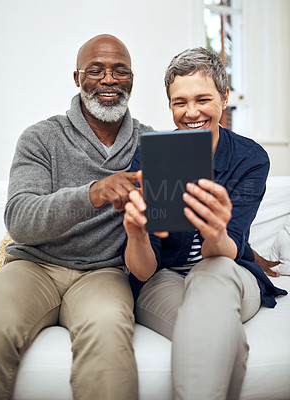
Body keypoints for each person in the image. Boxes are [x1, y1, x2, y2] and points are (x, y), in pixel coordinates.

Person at [0, 34, 153, 400]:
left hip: (104, 273)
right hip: (34, 266)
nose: (109, 80)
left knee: (109, 332)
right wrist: (94, 193)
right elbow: (20, 220)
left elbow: (173, 219)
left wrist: (241, 250)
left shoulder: (149, 143)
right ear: (77, 79)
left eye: (119, 71)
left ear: (132, 81)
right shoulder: (41, 138)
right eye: (96, 70)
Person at [122, 47, 287, 400]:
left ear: (224, 98)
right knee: (219, 337)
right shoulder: (147, 157)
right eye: (179, 102)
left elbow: (229, 250)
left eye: (203, 99)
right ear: (169, 105)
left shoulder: (249, 158)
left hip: (228, 272)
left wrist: (215, 229)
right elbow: (144, 272)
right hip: (165, 279)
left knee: (212, 276)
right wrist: (135, 235)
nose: (191, 112)